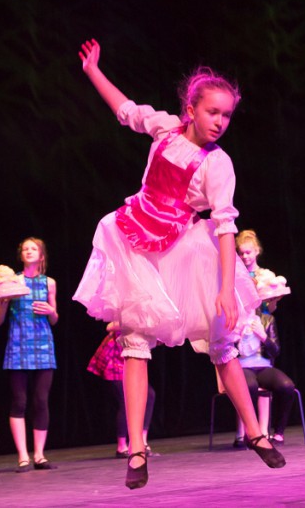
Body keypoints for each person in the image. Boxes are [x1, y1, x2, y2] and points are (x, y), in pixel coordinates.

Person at [73, 39, 283, 490]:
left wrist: (225, 288)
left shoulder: (218, 164)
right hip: (136, 238)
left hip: (185, 248)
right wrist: (93, 71)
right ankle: (136, 448)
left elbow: (224, 227)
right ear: (191, 110)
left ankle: (256, 432)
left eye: (227, 115)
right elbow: (126, 110)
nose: (220, 122)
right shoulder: (166, 128)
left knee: (221, 342)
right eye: (213, 112)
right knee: (134, 341)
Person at [0, 237, 58, 473]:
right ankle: (23, 456)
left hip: (43, 346)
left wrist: (51, 311)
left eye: (34, 249)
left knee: (41, 400)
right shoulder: (12, 281)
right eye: (25, 249)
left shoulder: (49, 283)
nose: (29, 251)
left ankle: (39, 454)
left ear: (41, 255)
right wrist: (2, 304)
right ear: (21, 255)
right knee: (19, 401)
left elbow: (54, 319)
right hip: (18, 345)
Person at [234, 230, 296, 444]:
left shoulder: (266, 277)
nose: (245, 257)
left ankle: (274, 433)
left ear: (257, 251)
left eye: (248, 252)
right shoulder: (235, 275)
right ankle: (248, 433)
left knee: (285, 385)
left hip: (261, 342)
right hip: (243, 358)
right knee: (249, 386)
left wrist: (263, 331)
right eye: (241, 253)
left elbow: (270, 310)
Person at [86, 325, 158, 458]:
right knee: (126, 402)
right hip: (115, 362)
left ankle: (142, 442)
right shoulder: (130, 315)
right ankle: (121, 446)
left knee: (149, 395)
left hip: (132, 360)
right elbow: (110, 326)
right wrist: (136, 323)